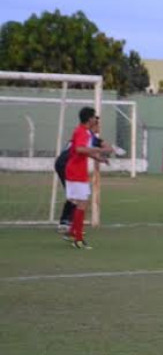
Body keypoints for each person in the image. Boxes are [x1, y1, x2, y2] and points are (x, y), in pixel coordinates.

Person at [65, 107, 109, 249]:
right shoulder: (82, 132)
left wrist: (98, 158)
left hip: (75, 171)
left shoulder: (82, 131)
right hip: (76, 172)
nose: (96, 119)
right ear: (89, 118)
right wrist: (100, 150)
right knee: (82, 204)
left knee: (81, 203)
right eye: (94, 117)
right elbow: (79, 149)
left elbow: (82, 151)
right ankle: (78, 239)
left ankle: (73, 232)